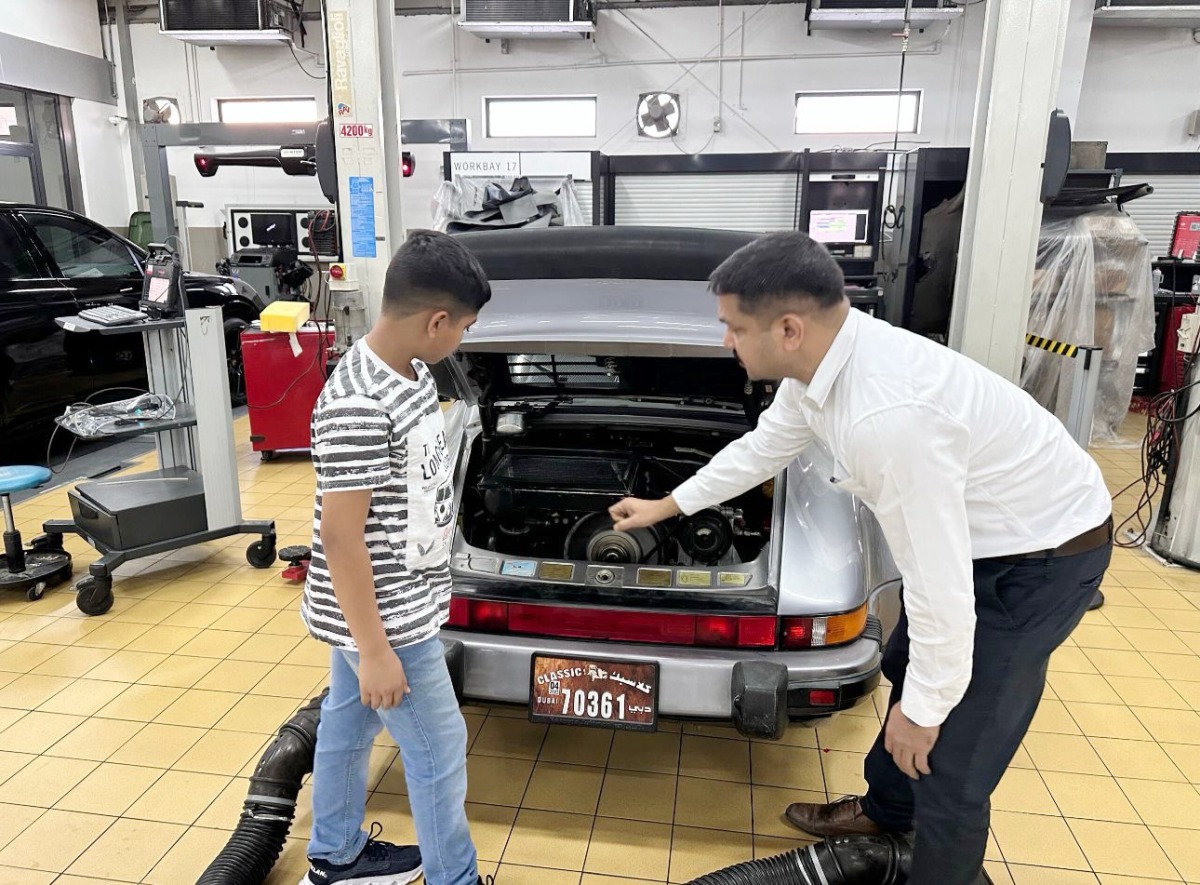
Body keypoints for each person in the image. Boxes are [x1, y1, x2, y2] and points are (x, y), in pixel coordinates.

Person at [608, 231, 1113, 885]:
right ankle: (882, 815)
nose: (725, 342)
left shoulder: (889, 414)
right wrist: (666, 506)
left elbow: (941, 588)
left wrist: (925, 713)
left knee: (954, 759)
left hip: (1043, 555)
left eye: (733, 328)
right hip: (986, 537)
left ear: (788, 328)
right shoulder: (820, 367)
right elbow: (762, 450)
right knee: (907, 663)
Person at [300, 230, 492, 885]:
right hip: (386, 620)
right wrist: (375, 648)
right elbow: (340, 536)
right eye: (463, 327)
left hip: (398, 603)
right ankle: (455, 879)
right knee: (439, 750)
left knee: (348, 731)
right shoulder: (358, 399)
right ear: (436, 320)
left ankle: (336, 853)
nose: (461, 340)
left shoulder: (408, 371)